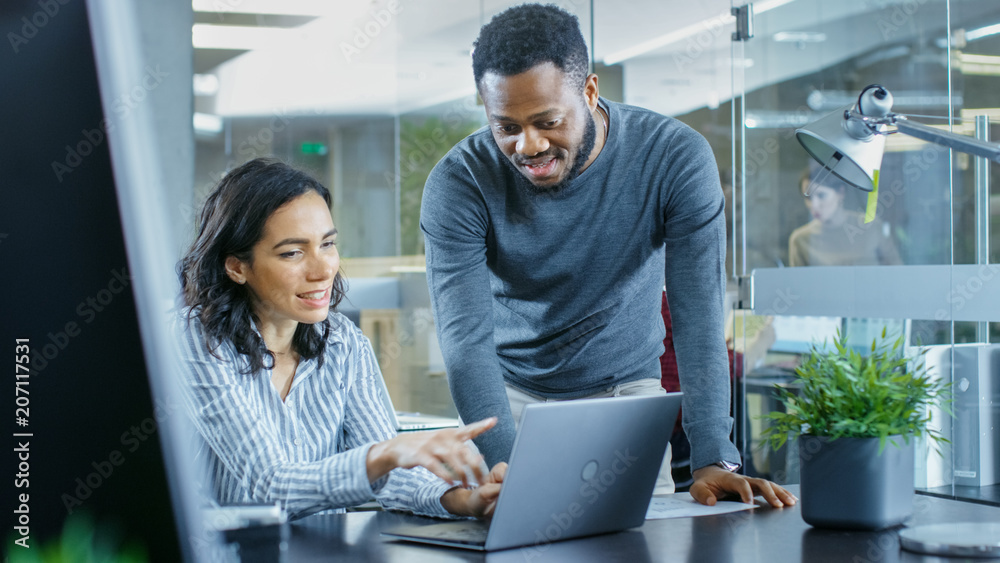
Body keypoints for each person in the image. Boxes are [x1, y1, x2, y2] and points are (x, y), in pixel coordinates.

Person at [420, 4, 794, 508]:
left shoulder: (674, 157)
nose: (528, 146)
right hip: (510, 398)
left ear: (589, 91)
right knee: (514, 534)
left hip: (625, 395)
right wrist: (504, 468)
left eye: (547, 121)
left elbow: (698, 315)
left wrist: (713, 455)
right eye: (505, 126)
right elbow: (466, 342)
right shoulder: (458, 181)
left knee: (634, 543)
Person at [176, 158, 506, 520]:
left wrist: (463, 500)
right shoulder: (196, 341)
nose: (322, 270)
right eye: (292, 253)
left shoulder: (342, 342)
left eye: (327, 244)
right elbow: (270, 485)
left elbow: (392, 476)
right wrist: (388, 453)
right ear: (237, 266)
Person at [789, 168, 902, 267]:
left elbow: (896, 272)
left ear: (840, 193)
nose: (814, 205)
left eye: (821, 195)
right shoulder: (800, 239)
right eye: (808, 197)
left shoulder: (870, 225)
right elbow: (800, 286)